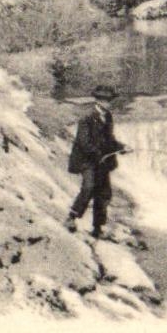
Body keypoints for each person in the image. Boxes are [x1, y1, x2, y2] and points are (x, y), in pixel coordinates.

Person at [66, 84, 128, 239]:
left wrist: (121, 147)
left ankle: (98, 228)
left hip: (102, 161)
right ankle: (71, 218)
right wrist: (99, 154)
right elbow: (83, 142)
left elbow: (109, 140)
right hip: (86, 160)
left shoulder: (107, 116)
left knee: (104, 193)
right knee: (88, 187)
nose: (107, 103)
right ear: (98, 100)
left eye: (109, 100)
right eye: (104, 100)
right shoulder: (87, 117)